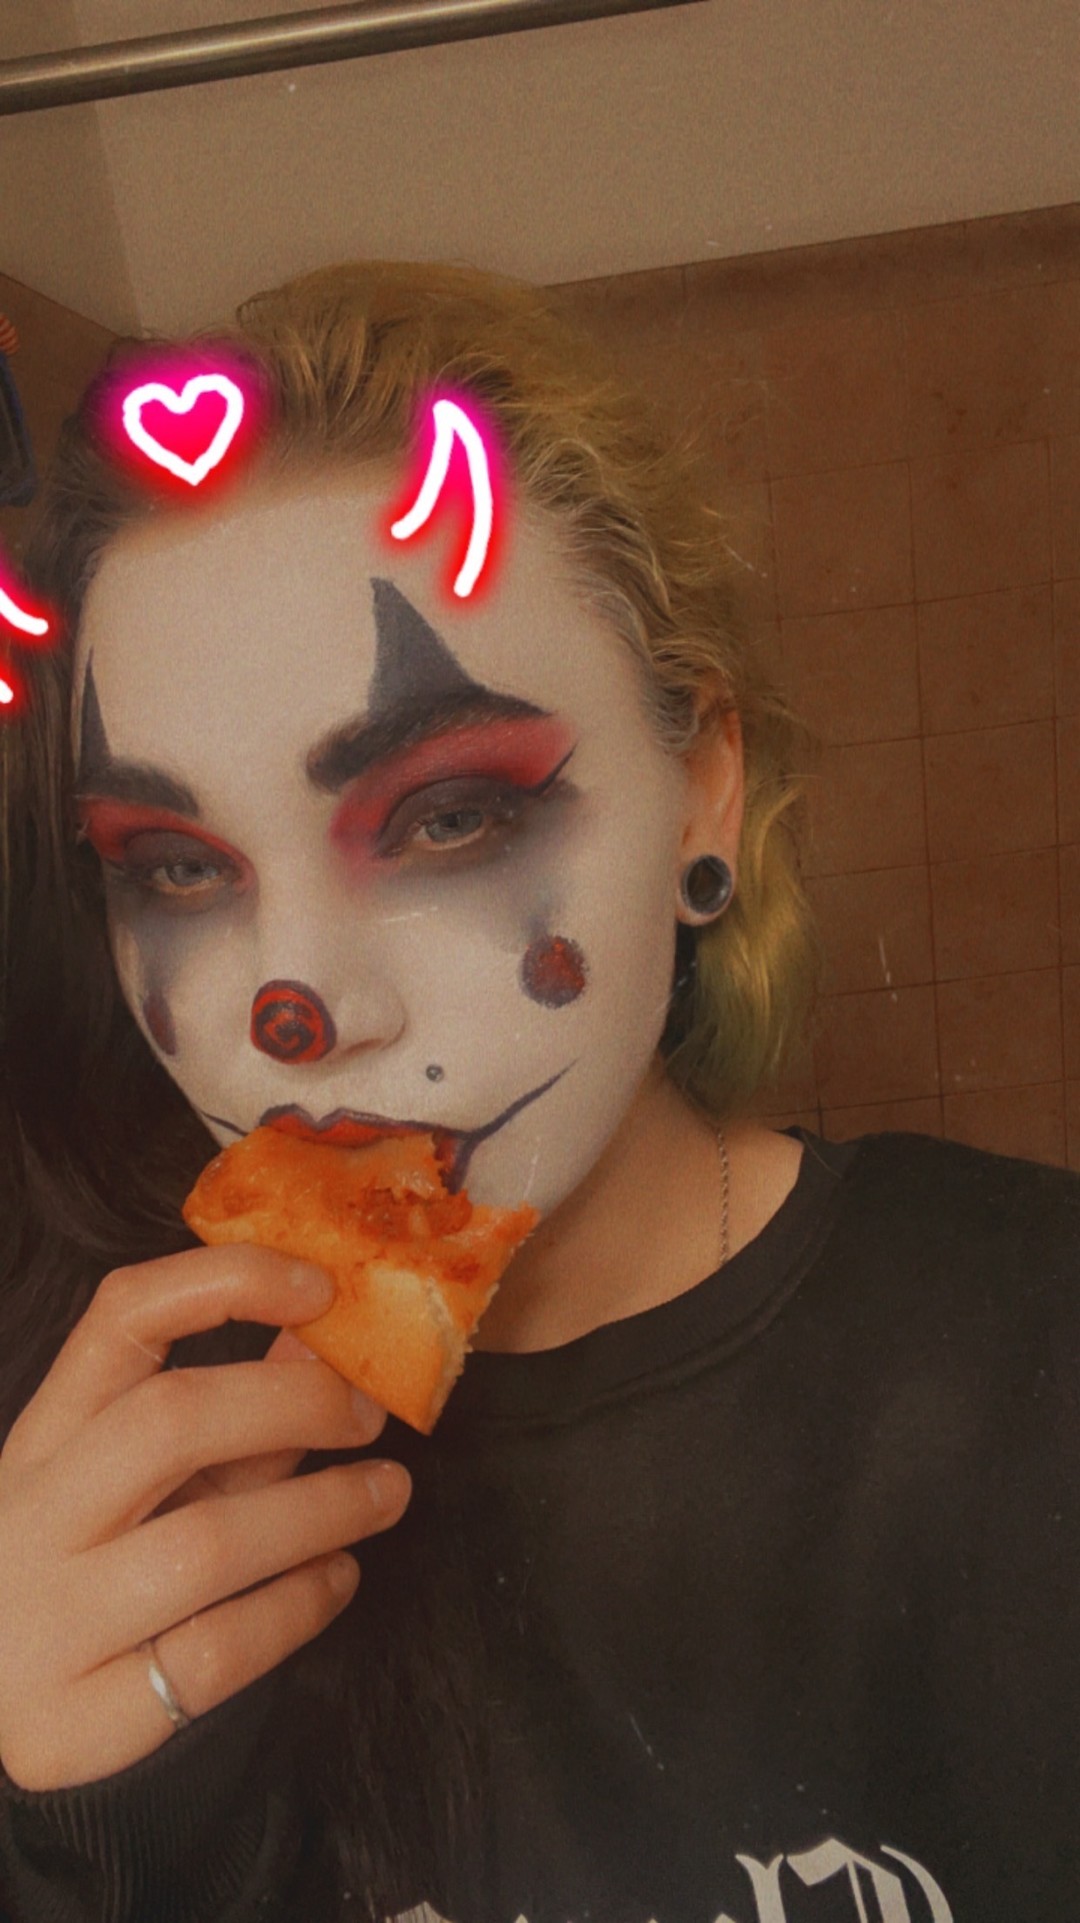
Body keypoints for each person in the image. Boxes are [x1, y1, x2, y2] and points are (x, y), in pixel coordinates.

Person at [0, 259, 1076, 1923]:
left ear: (704, 788)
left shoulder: (1031, 1356)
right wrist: (77, 1828)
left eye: (448, 817)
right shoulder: (124, 1480)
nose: (302, 1014)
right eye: (178, 867)